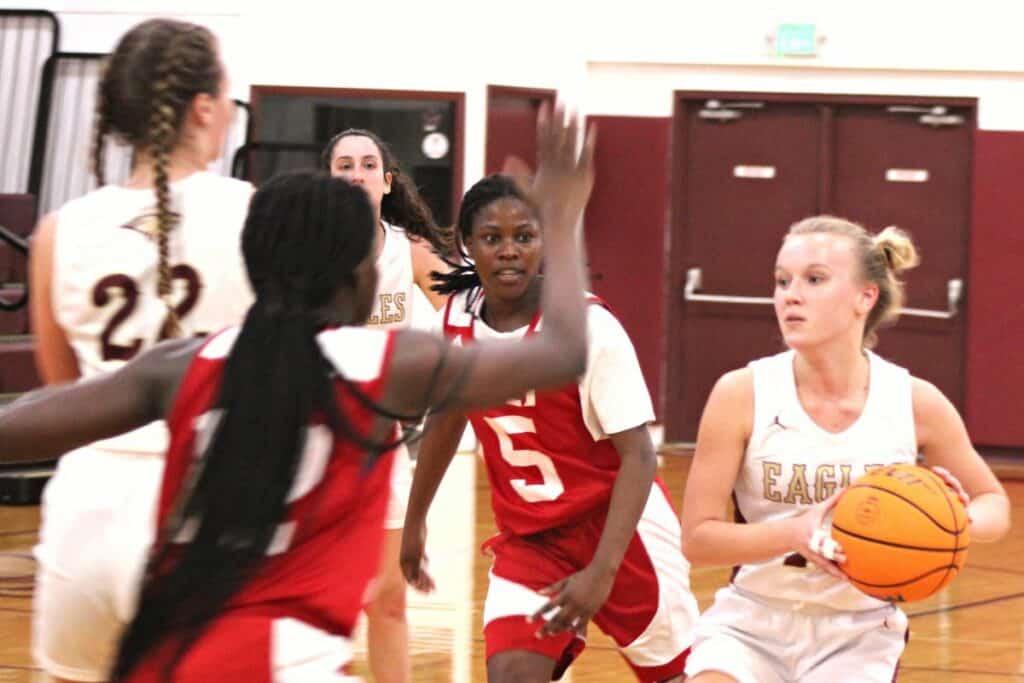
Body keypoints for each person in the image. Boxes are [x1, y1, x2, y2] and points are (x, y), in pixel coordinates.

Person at [0, 105, 596, 681]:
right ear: (356, 274)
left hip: (169, 657)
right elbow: (564, 351)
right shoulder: (388, 362)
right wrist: (564, 219)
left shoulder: (183, 362)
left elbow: (22, 424)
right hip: (283, 662)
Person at [680, 215, 1012, 683]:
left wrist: (954, 520)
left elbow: (994, 504)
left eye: (814, 279)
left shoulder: (914, 401)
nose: (790, 295)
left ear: (865, 297)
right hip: (751, 622)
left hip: (859, 632)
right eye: (782, 281)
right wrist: (794, 533)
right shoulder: (741, 393)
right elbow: (697, 540)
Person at [399, 173, 699, 683]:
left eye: (525, 236)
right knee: (512, 673)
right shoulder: (453, 323)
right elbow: (445, 420)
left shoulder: (588, 328)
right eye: (492, 238)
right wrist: (414, 520)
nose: (510, 251)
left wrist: (602, 573)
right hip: (533, 539)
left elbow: (641, 457)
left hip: (622, 535)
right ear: (467, 245)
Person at [25, 18, 254, 683]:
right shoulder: (252, 211)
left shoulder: (57, 230)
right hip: (210, 506)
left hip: (88, 509)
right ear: (204, 108)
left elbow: (66, 397)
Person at [322, 128, 454, 683]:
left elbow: (469, 317)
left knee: (389, 599)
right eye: (344, 165)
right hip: (319, 441)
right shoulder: (304, 253)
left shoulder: (410, 252)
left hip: (385, 443)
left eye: (367, 164)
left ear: (386, 181)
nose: (356, 173)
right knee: (319, 603)